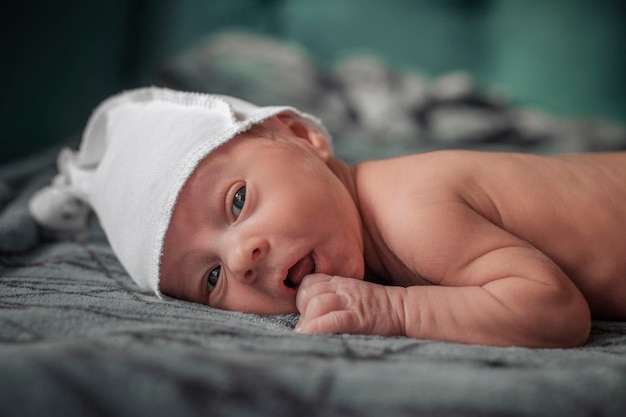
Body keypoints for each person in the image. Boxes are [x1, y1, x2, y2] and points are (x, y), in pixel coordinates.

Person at [30, 87, 626, 348]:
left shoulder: (409, 208)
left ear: (301, 136)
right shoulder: (374, 235)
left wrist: (391, 310)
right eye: (209, 279)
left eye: (237, 201)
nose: (241, 259)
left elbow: (553, 310)